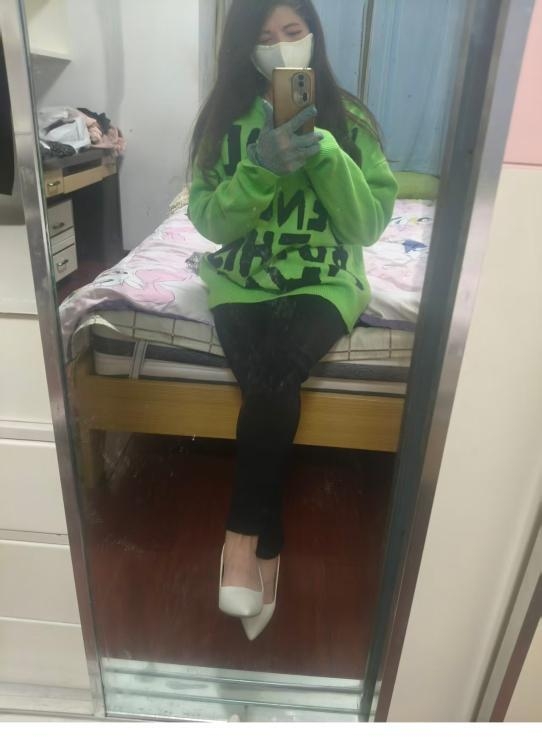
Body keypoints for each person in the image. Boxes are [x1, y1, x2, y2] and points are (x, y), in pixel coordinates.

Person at [188, 0, 398, 640]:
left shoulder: (351, 121)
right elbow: (210, 222)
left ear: (313, 35)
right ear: (243, 48)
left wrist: (325, 150)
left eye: (292, 30)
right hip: (240, 277)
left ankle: (241, 539)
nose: (281, 46)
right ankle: (270, 545)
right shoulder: (224, 122)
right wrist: (258, 165)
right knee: (267, 382)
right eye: (264, 36)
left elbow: (368, 225)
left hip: (326, 277)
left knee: (276, 373)